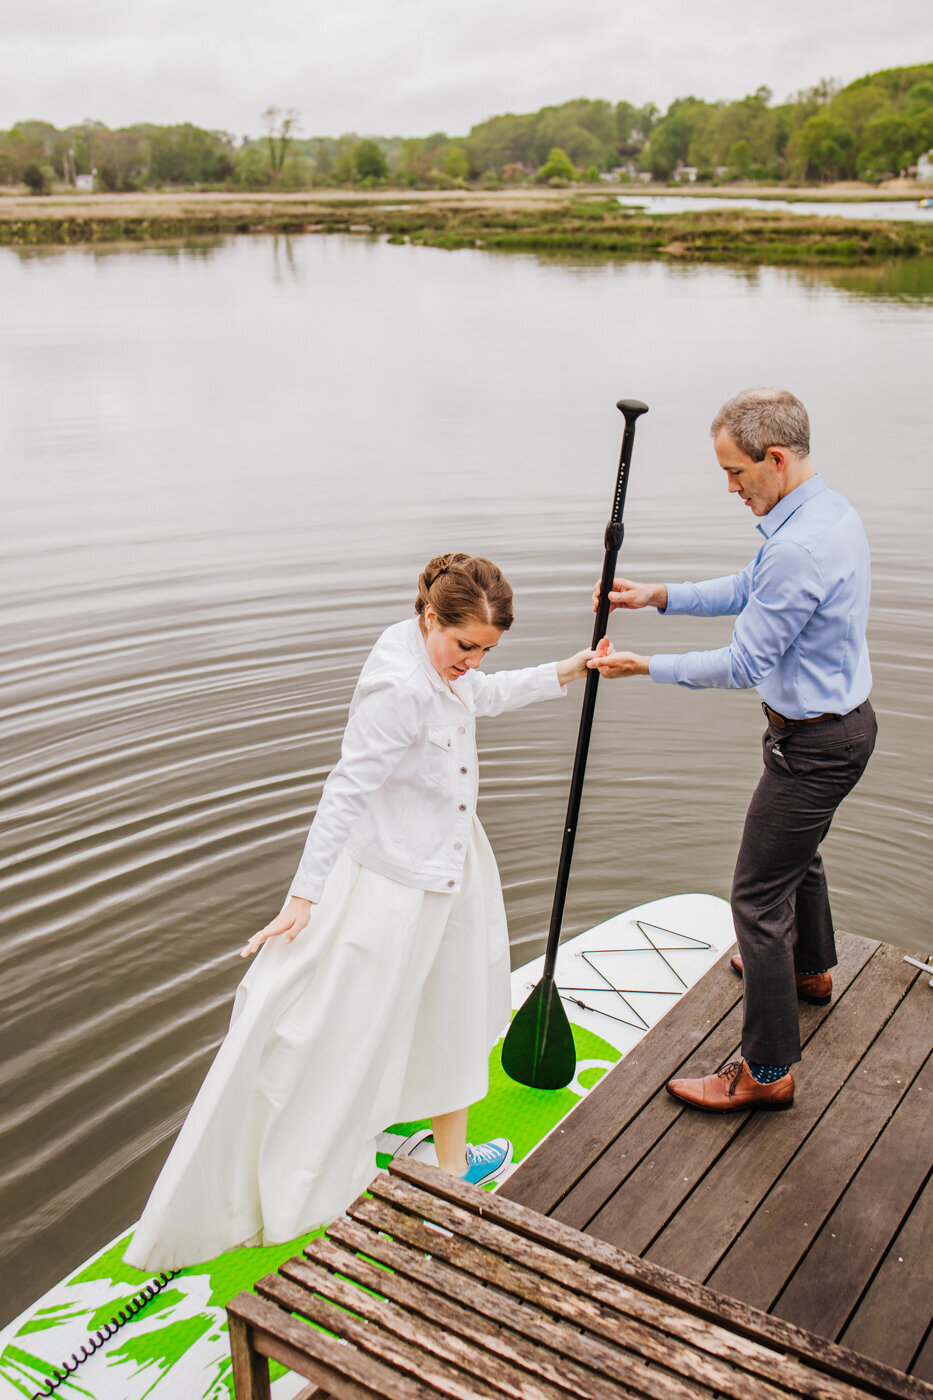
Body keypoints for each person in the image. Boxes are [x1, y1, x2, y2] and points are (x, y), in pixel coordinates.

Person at [124, 553, 592, 1272]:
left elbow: (479, 696)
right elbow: (344, 791)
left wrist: (567, 670)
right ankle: (326, 1156)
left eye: (485, 650)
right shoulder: (398, 688)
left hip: (447, 868)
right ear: (430, 619)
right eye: (464, 645)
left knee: (451, 1009)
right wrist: (303, 897)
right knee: (352, 1023)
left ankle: (450, 1160)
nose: (472, 661)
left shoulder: (437, 662)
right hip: (395, 888)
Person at [589, 388, 876, 1113]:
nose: (730, 487)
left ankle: (768, 1069)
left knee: (754, 899)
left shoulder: (798, 545)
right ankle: (809, 972)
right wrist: (660, 596)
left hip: (812, 743)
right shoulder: (825, 513)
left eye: (735, 472)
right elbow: (751, 587)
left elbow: (743, 664)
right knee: (794, 858)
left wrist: (644, 666)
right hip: (834, 729)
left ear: (774, 458)